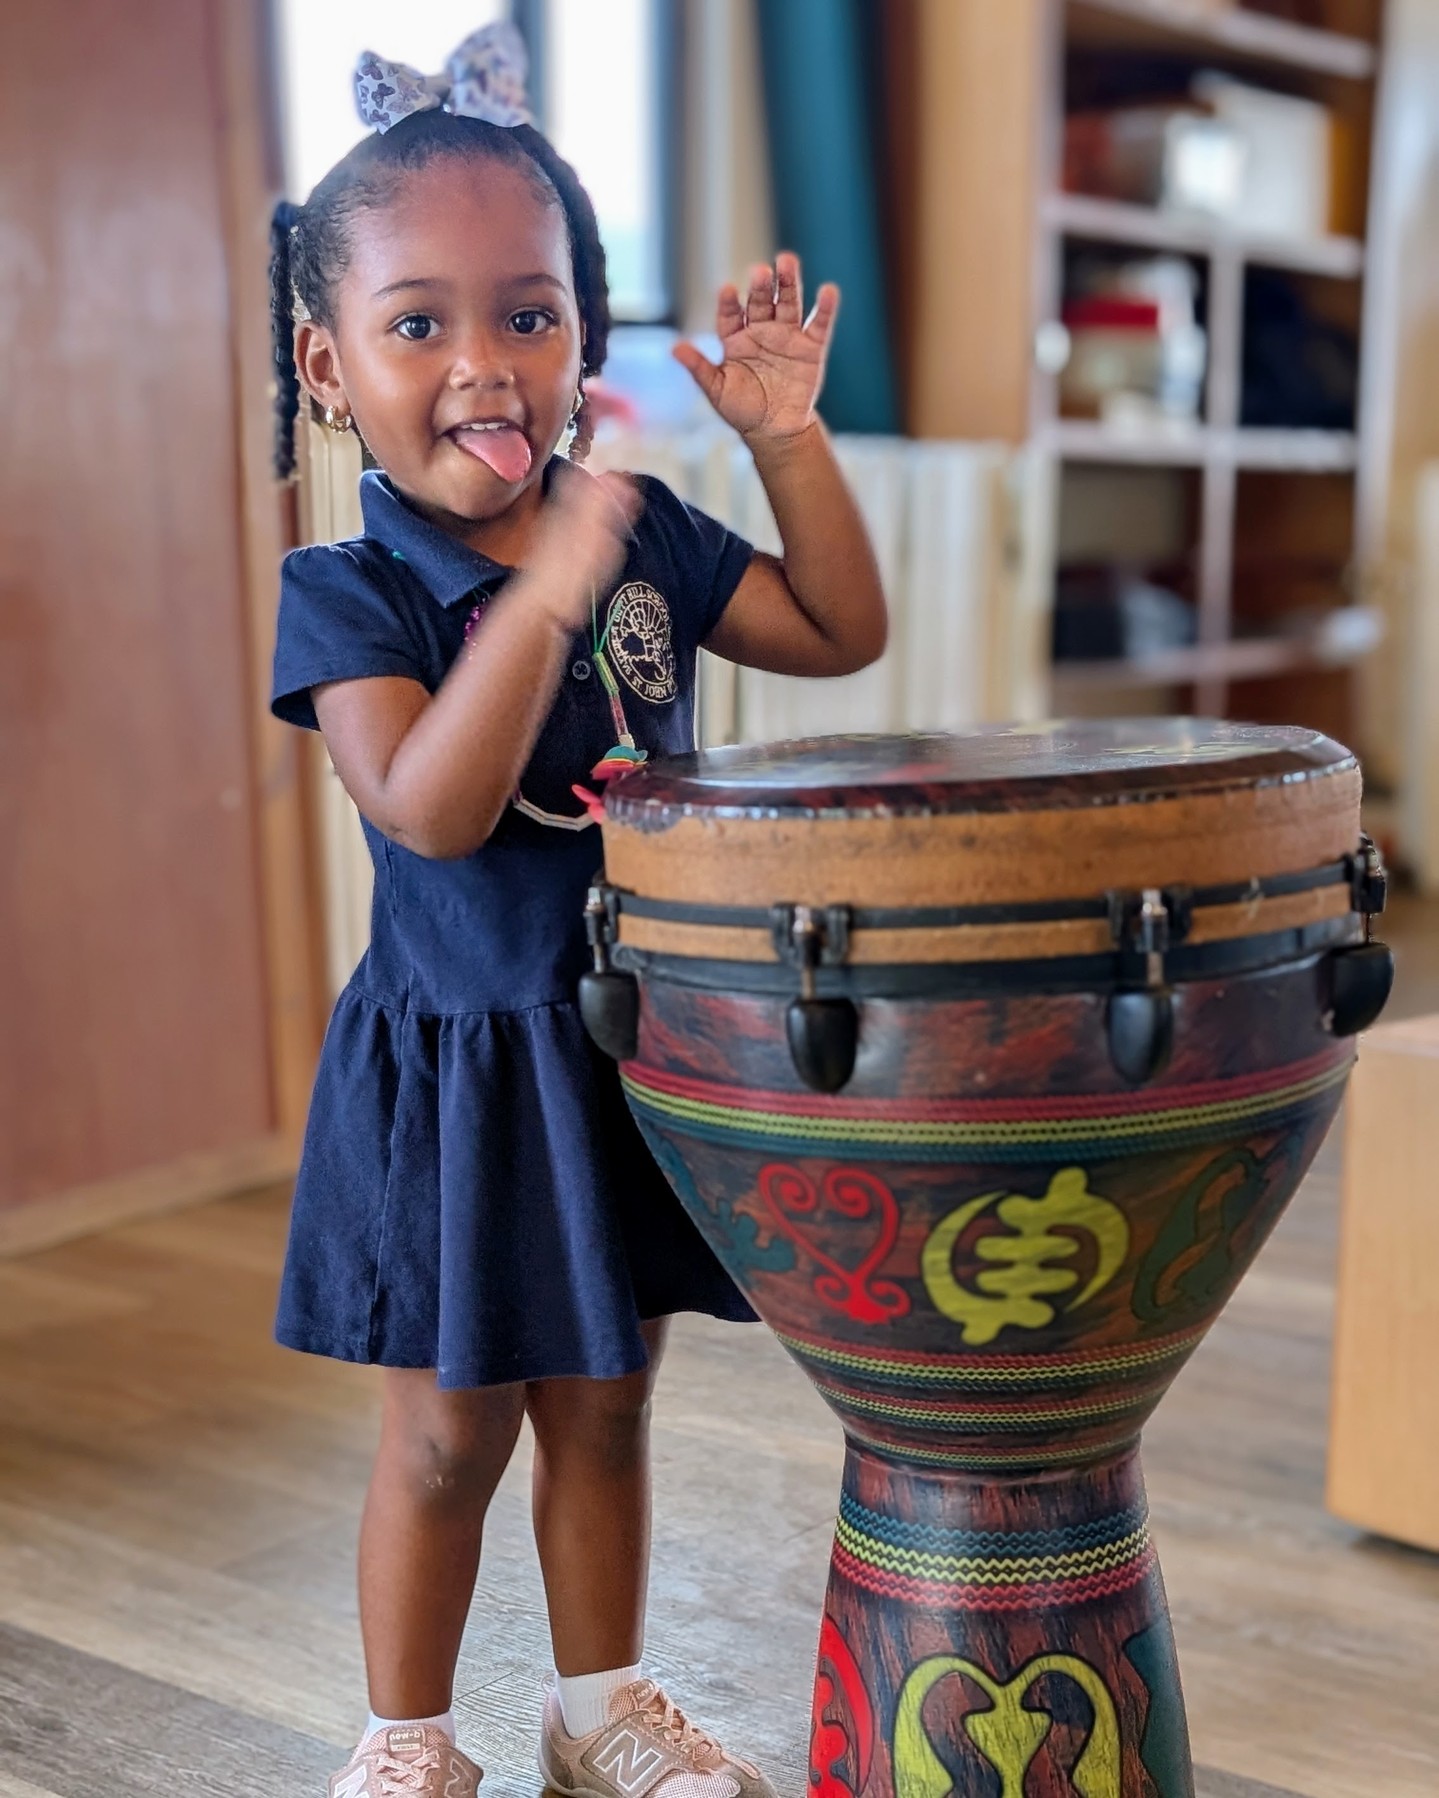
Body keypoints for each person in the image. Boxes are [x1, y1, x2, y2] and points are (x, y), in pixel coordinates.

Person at [267, 24, 886, 1798]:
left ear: (582, 339)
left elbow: (839, 629)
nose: (485, 363)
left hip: (627, 1048)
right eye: (418, 324)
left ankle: (597, 1704)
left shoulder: (641, 529)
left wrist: (786, 439)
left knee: (608, 1401)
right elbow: (431, 804)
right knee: (447, 1432)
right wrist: (546, 590)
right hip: (462, 1076)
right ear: (329, 365)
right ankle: (407, 1739)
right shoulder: (347, 587)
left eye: (529, 315)